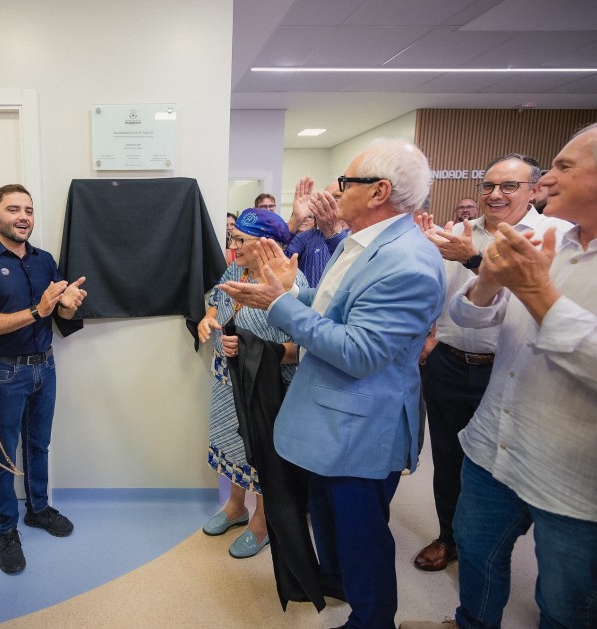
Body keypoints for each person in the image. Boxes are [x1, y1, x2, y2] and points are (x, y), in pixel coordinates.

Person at [221, 139, 446, 628]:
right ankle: (343, 588)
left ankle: (372, 620)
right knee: (331, 527)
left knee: (360, 538)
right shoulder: (356, 242)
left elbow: (360, 352)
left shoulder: (406, 262)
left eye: (345, 181)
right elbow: (332, 309)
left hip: (359, 430)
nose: (334, 191)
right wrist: (289, 291)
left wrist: (279, 305)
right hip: (329, 423)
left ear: (379, 192)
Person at [400, 125, 597, 629]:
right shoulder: (547, 240)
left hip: (574, 467)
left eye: (564, 167)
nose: (548, 180)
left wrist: (534, 291)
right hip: (497, 440)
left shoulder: (539, 239)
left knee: (566, 597)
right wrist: (486, 279)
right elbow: (468, 316)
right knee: (476, 544)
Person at [411, 155, 570, 572]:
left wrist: (473, 258)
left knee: (501, 466)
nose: (495, 194)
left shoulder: (553, 237)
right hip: (448, 364)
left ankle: (489, 549)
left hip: (510, 370)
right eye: (488, 185)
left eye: (509, 186)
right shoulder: (457, 234)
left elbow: (536, 302)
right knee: (448, 459)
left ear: (534, 191)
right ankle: (449, 538)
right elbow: (436, 295)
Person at [0, 184, 87, 575]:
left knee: (38, 445)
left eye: (28, 210)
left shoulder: (44, 260)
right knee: (4, 454)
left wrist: (67, 306)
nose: (23, 217)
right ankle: (6, 531)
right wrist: (38, 310)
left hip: (44, 367)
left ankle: (38, 509)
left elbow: (60, 313)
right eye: (13, 209)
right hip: (4, 372)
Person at [196, 209, 307, 558]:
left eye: (240, 239)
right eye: (233, 237)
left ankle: (261, 523)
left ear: (264, 244)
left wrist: (251, 351)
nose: (233, 246)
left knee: (261, 454)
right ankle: (235, 508)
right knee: (233, 445)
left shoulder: (292, 285)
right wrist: (207, 319)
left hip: (266, 389)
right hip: (227, 382)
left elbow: (303, 349)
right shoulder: (237, 269)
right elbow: (217, 301)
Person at [285, 180, 350, 287]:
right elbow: (278, 259)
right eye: (324, 197)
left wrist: (333, 232)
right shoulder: (308, 237)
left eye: (337, 197)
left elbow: (351, 261)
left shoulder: (358, 233)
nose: (327, 202)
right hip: (307, 296)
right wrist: (295, 220)